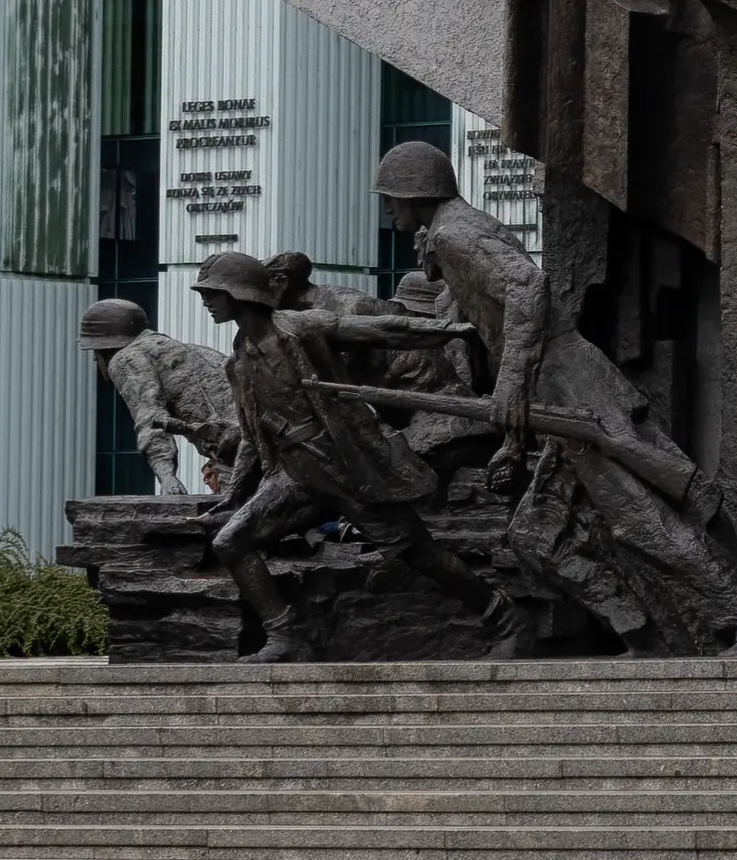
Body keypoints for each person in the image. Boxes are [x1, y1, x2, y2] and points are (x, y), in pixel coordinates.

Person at [373, 140, 737, 656]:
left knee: (639, 516)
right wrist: (515, 440)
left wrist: (514, 384)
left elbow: (526, 288)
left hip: (570, 384)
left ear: (415, 193)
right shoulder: (449, 235)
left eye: (392, 197)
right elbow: (467, 318)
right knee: (538, 534)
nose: (388, 209)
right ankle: (647, 636)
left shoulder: (455, 234)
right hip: (555, 386)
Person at [194, 248, 505, 663]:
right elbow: (254, 435)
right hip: (295, 473)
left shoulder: (297, 328)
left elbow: (379, 329)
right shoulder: (238, 363)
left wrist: (455, 330)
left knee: (417, 552)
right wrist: (234, 496)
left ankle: (501, 615)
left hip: (345, 467)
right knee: (231, 541)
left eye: (213, 292)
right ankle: (287, 635)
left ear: (241, 294)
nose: (205, 301)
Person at [81, 297, 239, 497]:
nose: (95, 358)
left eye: (95, 350)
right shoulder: (190, 350)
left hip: (237, 450)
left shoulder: (125, 359)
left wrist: (167, 477)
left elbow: (151, 420)